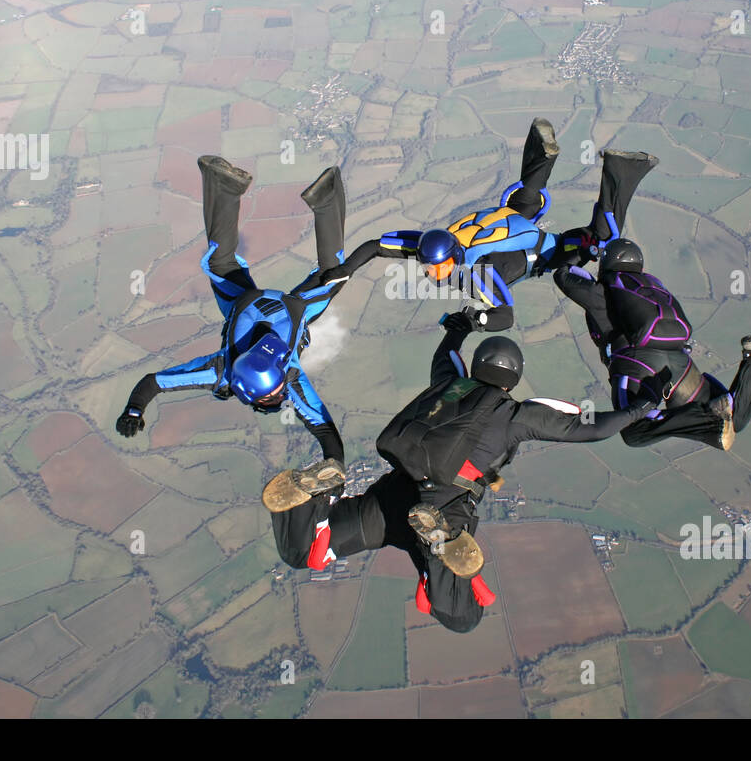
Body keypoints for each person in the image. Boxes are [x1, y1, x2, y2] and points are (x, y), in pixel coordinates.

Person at [261, 314, 655, 633]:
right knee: (461, 617)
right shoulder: (516, 415)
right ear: (514, 376)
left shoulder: (450, 384)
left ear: (479, 365)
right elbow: (592, 427)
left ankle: (313, 496)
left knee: (299, 553)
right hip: (446, 505)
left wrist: (461, 326)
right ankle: (439, 543)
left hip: (392, 495)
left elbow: (446, 351)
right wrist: (640, 409)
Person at [115, 157, 350, 494]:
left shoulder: (289, 374)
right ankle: (224, 185)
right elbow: (154, 383)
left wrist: (335, 472)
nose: (281, 396)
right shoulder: (221, 371)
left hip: (290, 309)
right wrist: (134, 410)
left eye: (273, 397)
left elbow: (326, 433)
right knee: (220, 261)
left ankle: (325, 197)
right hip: (245, 303)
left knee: (333, 275)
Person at [317, 118, 657, 330]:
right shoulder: (431, 244)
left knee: (599, 243)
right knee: (522, 203)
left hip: (549, 249)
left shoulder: (477, 273)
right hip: (513, 224)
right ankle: (541, 160)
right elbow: (377, 246)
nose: (431, 273)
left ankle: (623, 170)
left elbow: (505, 315)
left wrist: (471, 320)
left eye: (438, 268)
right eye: (429, 267)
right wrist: (345, 269)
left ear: (451, 257)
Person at [554, 238, 751, 451]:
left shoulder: (605, 291)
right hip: (680, 362)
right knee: (734, 420)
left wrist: (583, 251)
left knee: (633, 431)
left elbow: (563, 276)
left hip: (637, 363)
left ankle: (708, 417)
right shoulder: (653, 287)